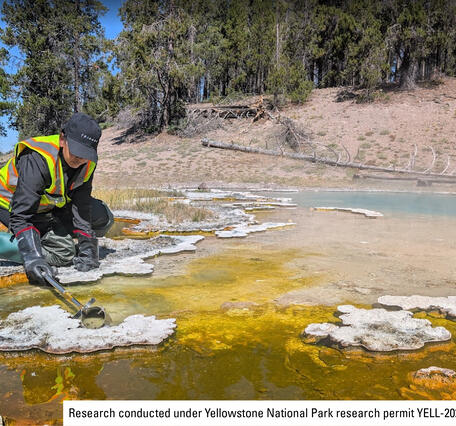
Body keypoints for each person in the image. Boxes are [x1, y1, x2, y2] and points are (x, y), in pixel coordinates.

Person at [0, 112, 113, 285]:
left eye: (85, 154)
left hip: (47, 207)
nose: (80, 159)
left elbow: (82, 205)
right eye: (76, 152)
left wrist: (87, 247)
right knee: (64, 253)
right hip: (10, 204)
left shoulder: (87, 162)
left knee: (104, 217)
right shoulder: (38, 157)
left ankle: (46, 237)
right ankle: (7, 245)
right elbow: (21, 215)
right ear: (62, 139)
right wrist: (33, 258)